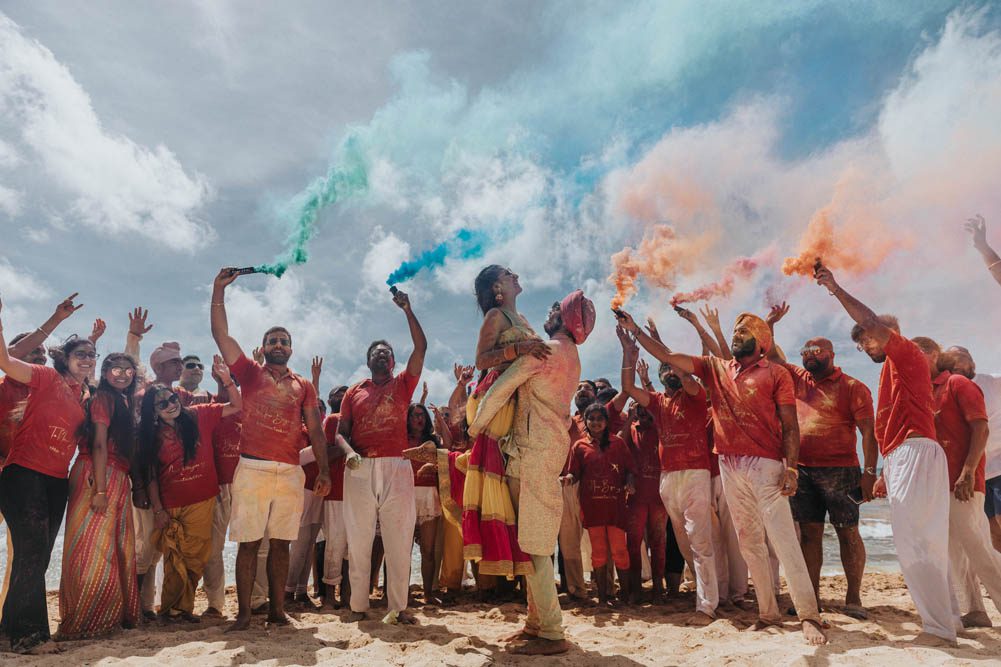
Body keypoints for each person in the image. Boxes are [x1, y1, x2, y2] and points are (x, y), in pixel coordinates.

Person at [615, 308, 826, 645]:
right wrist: (635, 329)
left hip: (766, 463)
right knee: (748, 541)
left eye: (744, 330)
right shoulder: (716, 368)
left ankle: (808, 616)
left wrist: (790, 466)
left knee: (783, 539)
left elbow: (790, 424)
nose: (736, 333)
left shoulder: (775, 373)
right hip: (728, 464)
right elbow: (668, 356)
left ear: (761, 341)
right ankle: (767, 613)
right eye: (735, 329)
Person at [815, 263, 957, 643]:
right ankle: (948, 620)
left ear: (883, 334)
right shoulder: (891, 368)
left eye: (866, 341)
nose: (863, 347)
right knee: (920, 540)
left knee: (916, 542)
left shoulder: (906, 353)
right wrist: (881, 471)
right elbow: (886, 424)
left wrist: (836, 288)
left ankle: (940, 629)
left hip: (915, 451)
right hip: (902, 455)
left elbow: (871, 321)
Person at [467, 289, 594, 656]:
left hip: (533, 451)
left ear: (565, 319)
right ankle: (535, 623)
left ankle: (551, 632)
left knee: (536, 548)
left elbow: (502, 388)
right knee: (535, 540)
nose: (550, 310)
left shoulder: (547, 351)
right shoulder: (572, 356)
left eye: (557, 307)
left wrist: (473, 429)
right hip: (546, 448)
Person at [210, 268, 331, 632]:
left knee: (281, 544)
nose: (278, 345)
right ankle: (244, 615)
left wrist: (323, 470)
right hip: (252, 468)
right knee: (248, 544)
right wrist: (219, 290)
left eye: (284, 341)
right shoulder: (248, 373)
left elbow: (315, 429)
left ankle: (278, 612)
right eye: (272, 341)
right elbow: (221, 334)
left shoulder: (303, 384)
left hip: (289, 472)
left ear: (291, 348)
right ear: (263, 348)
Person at [765, 302, 877, 619]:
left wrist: (869, 473)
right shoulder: (797, 379)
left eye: (817, 351)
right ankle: (810, 599)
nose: (810, 355)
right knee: (810, 534)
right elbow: (772, 358)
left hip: (842, 471)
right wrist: (771, 323)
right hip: (803, 471)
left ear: (832, 355)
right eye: (806, 352)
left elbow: (869, 433)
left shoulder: (854, 387)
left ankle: (853, 599)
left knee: (847, 532)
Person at [0, 293, 92, 654]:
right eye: (79, 355)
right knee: (32, 549)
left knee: (36, 556)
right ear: (63, 359)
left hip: (57, 481)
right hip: (22, 475)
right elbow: (5, 360)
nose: (87, 359)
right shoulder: (43, 377)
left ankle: (8, 629)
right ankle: (30, 636)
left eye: (91, 355)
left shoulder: (83, 395)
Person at [332, 286, 426, 625]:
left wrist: (407, 310)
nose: (381, 356)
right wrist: (350, 454)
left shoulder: (403, 384)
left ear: (393, 361)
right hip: (359, 467)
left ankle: (398, 606)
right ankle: (359, 605)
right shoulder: (354, 391)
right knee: (358, 536)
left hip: (397, 466)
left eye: (387, 353)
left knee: (399, 537)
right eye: (376, 353)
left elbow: (421, 348)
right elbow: (340, 435)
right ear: (369, 359)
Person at [619, 327, 719, 623]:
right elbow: (627, 386)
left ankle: (707, 607)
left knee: (700, 541)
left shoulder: (695, 394)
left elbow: (687, 377)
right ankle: (712, 592)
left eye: (672, 368)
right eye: (664, 370)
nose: (669, 373)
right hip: (668, 478)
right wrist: (628, 352)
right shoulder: (658, 402)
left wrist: (671, 359)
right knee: (687, 543)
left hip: (695, 473)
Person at [461, 266, 548, 585]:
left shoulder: (523, 320)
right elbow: (482, 361)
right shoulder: (496, 316)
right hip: (499, 402)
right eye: (510, 275)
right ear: (498, 286)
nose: (517, 276)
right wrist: (520, 349)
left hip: (523, 400)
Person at [140, 359, 241, 622]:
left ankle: (182, 610)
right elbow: (151, 476)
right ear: (154, 410)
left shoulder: (199, 414)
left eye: (172, 399)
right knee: (174, 558)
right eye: (162, 404)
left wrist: (227, 380)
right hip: (172, 502)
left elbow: (237, 406)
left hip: (203, 499)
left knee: (196, 557)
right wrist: (159, 509)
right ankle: (170, 610)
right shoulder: (150, 434)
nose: (170, 405)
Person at [912, 337, 1001, 629]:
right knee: (955, 552)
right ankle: (975, 610)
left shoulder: (960, 384)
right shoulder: (930, 391)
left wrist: (967, 471)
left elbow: (981, 428)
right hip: (941, 485)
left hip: (965, 481)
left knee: (978, 547)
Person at [56, 353, 142, 639]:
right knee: (92, 549)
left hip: (117, 476)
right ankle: (88, 620)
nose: (123, 374)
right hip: (96, 473)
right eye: (116, 369)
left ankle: (111, 617)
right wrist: (101, 489)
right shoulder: (103, 397)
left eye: (128, 370)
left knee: (115, 546)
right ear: (104, 372)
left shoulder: (124, 401)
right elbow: (99, 444)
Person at [565, 403, 636, 608]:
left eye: (600, 419)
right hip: (592, 508)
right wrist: (568, 478)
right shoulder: (579, 446)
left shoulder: (618, 443)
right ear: (586, 421)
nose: (596, 422)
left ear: (606, 422)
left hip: (615, 508)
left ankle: (624, 596)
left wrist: (630, 482)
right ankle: (603, 598)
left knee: (619, 551)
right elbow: (574, 472)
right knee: (598, 552)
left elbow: (630, 469)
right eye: (592, 418)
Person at [941, 345, 1001, 553]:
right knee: (992, 531)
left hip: (1000, 466)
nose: (957, 363)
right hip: (978, 473)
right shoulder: (948, 391)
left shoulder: (992, 381)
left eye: (961, 358)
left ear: (972, 362)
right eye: (951, 360)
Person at [620, 400, 668, 604]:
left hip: (658, 495)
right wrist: (630, 417)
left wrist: (655, 414)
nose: (643, 412)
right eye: (639, 408)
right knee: (633, 543)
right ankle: (636, 589)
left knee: (658, 542)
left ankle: (658, 587)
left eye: (646, 408)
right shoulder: (632, 429)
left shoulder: (660, 427)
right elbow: (618, 444)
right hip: (636, 496)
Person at [559, 380, 598, 602]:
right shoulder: (567, 421)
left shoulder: (601, 421)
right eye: (579, 388)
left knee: (599, 538)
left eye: (588, 388)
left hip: (594, 485)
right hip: (567, 484)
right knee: (569, 539)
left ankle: (605, 587)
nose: (582, 390)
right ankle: (575, 589)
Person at [319, 385, 349, 608]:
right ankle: (329, 595)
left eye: (345, 393)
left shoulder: (357, 419)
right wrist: (350, 446)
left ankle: (347, 595)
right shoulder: (331, 420)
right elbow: (325, 454)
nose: (342, 395)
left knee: (353, 546)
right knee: (334, 544)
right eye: (337, 393)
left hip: (358, 491)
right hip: (336, 489)